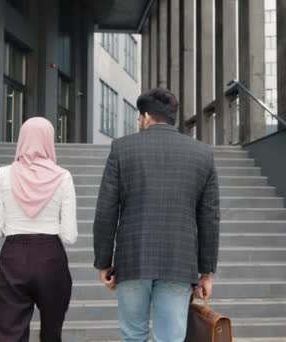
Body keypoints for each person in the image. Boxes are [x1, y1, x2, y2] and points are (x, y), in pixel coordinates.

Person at [93, 88, 221, 342]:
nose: (139, 122)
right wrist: (206, 271)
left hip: (132, 259)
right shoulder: (202, 154)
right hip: (178, 261)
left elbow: (106, 209)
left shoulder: (122, 148)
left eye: (139, 117)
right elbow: (209, 217)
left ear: (147, 116)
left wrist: (104, 262)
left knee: (133, 335)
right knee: (171, 338)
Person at [0, 117, 78, 342]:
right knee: (51, 332)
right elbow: (70, 236)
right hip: (51, 258)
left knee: (8, 332)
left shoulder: (3, 175)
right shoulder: (63, 177)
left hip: (13, 257)